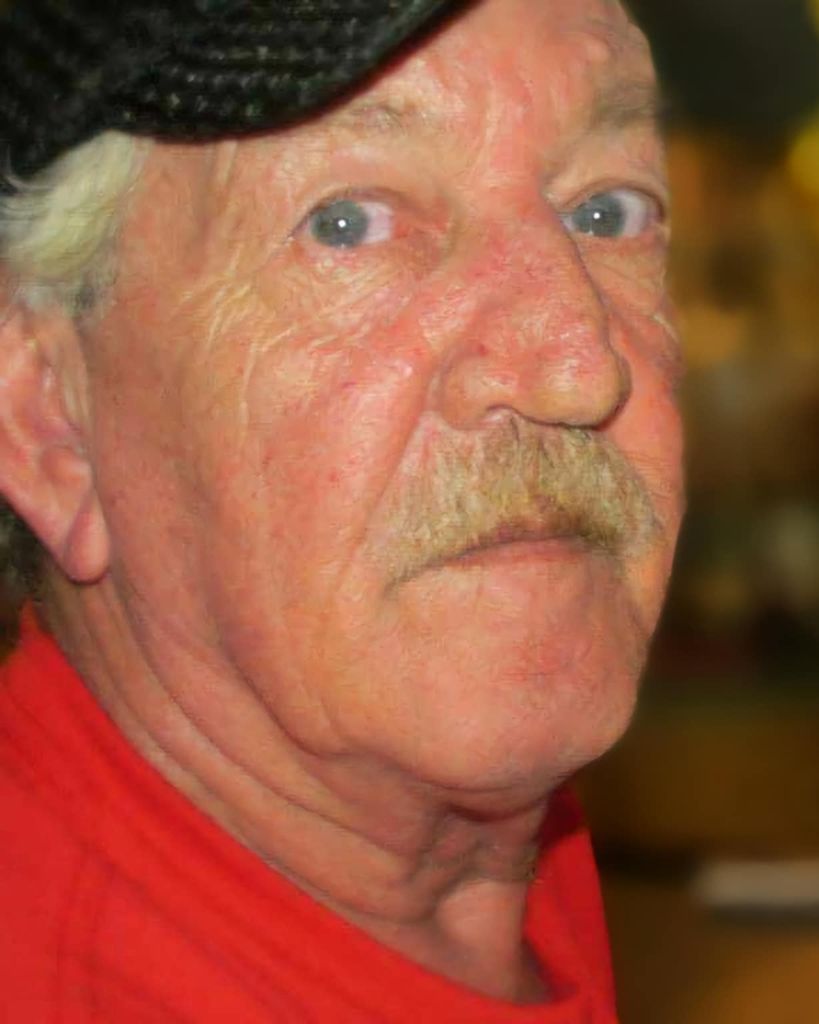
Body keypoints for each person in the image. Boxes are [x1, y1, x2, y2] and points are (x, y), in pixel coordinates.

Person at [0, 0, 684, 1019]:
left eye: (606, 213)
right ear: (50, 417)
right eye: (348, 224)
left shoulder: (446, 852)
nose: (577, 372)